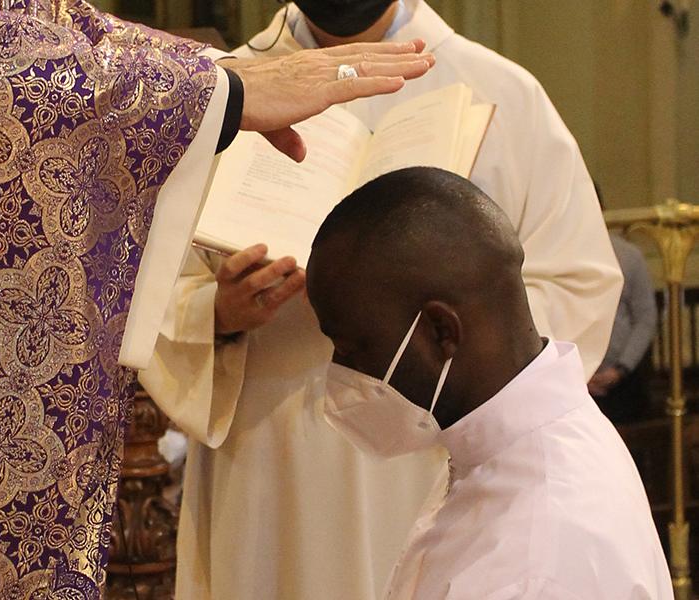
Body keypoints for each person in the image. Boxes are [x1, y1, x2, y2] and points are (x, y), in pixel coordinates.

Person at [0, 0, 435, 594]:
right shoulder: (241, 68)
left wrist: (210, 82)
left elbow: (38, 23)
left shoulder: (489, 87)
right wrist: (212, 93)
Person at [139, 1, 622, 598]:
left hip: (426, 455)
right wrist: (217, 313)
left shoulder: (504, 95)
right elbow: (148, 291)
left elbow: (577, 285)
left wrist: (444, 348)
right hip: (272, 452)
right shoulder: (226, 93)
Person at [306, 167, 672, 600]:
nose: (338, 369)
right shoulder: (508, 452)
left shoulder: (536, 560)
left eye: (351, 348)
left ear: (442, 331)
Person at [589, 185, 658, 422]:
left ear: (601, 209)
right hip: (572, 378)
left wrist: (620, 369)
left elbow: (645, 317)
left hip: (622, 379)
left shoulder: (628, 256)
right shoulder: (553, 257)